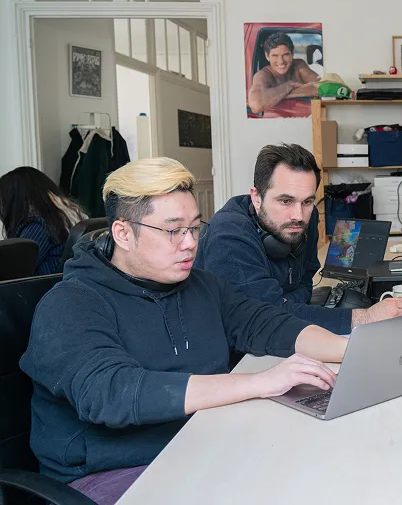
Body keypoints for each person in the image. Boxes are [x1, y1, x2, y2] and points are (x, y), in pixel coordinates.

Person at [20, 158, 348, 504]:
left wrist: (352, 351)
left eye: (194, 228)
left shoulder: (202, 286)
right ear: (123, 233)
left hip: (201, 446)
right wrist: (260, 381)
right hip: (111, 474)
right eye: (174, 230)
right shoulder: (70, 304)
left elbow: (266, 323)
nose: (190, 243)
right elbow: (113, 392)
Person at [195, 144, 402, 334]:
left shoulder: (309, 214)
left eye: (307, 201)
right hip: (235, 355)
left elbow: (307, 277)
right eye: (285, 201)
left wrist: (287, 304)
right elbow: (266, 318)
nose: (298, 215)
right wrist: (365, 318)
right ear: (256, 198)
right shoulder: (228, 235)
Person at [0, 166, 86, 275]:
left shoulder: (38, 224)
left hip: (45, 289)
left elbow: (16, 270)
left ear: (14, 201)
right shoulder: (67, 214)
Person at [247, 32, 322, 114]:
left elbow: (322, 86)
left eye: (285, 55)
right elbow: (256, 105)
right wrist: (289, 85)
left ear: (292, 53)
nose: (281, 61)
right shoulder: (263, 75)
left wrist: (282, 94)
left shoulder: (298, 65)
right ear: (267, 56)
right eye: (275, 56)